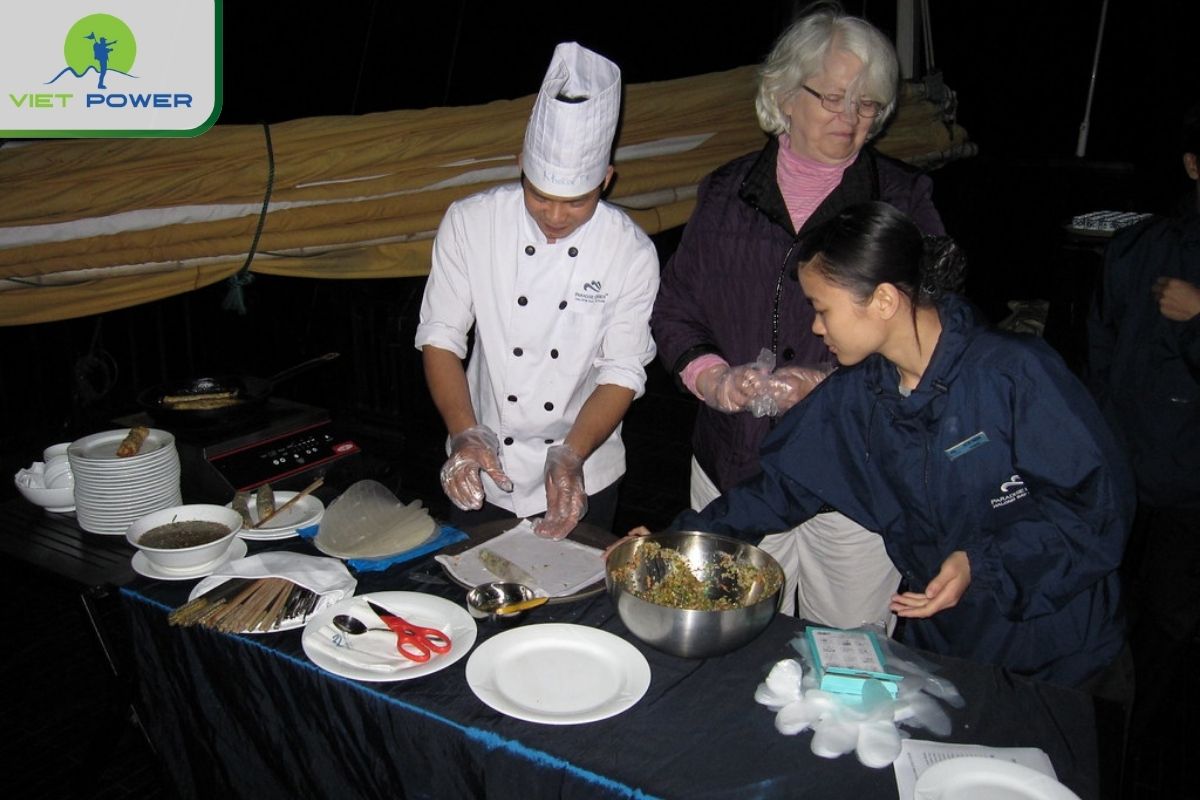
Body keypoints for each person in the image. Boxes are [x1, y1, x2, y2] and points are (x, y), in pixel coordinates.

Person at [671, 202, 1131, 688]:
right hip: (948, 641)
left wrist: (983, 562)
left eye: (823, 309)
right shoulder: (859, 395)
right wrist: (682, 542)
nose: (816, 328)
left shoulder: (1013, 375)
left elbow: (1097, 510)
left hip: (1056, 649)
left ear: (884, 301)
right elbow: (780, 490)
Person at [651, 4, 943, 628]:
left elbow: (933, 338)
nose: (852, 118)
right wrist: (711, 377)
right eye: (834, 98)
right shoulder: (725, 192)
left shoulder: (905, 199)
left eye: (869, 104)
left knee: (849, 652)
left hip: (856, 476)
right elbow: (676, 308)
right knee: (725, 637)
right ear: (782, 95)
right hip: (734, 464)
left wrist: (831, 387)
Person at [415, 42, 659, 540]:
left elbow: (621, 370)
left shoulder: (629, 250)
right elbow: (441, 336)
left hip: (584, 467)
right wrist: (465, 432)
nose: (554, 216)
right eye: (539, 196)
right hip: (483, 465)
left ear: (606, 181)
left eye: (576, 203)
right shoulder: (472, 222)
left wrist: (570, 455)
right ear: (521, 165)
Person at [1088, 102, 1200, 734]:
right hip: (1125, 465)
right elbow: (1098, 356)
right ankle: (1100, 727)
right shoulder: (1137, 247)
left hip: (1192, 489)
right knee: (1104, 596)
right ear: (1192, 165)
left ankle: (1142, 738)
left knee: (1171, 614)